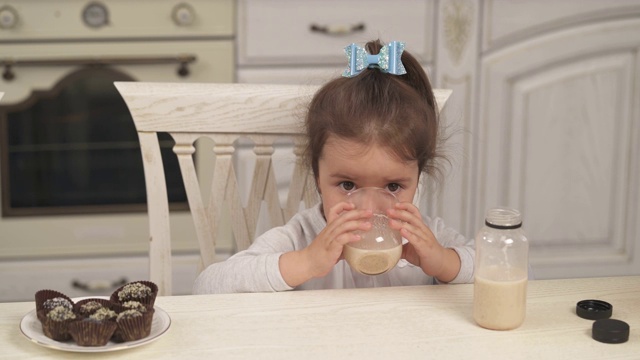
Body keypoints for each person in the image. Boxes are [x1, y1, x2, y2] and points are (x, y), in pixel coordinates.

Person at [193, 39, 474, 294]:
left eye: (393, 186)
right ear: (317, 177)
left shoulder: (425, 237)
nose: (370, 209)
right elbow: (207, 287)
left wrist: (442, 262)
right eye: (348, 185)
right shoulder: (302, 237)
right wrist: (306, 262)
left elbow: (496, 267)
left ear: (418, 178)